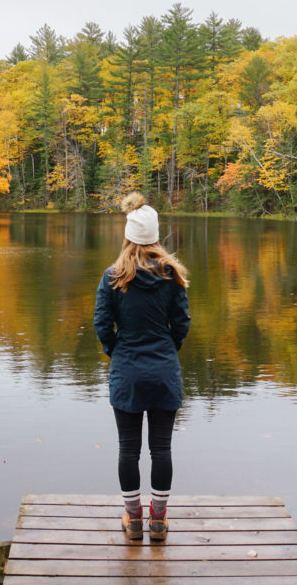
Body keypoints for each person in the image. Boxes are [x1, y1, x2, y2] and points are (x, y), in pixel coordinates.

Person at [94, 192, 190, 542]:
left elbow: (102, 325)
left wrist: (115, 351)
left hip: (128, 371)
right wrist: (167, 349)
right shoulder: (172, 276)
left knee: (128, 450)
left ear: (128, 236)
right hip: (163, 370)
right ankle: (159, 522)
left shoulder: (113, 276)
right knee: (161, 449)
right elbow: (182, 324)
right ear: (156, 236)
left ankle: (134, 521)